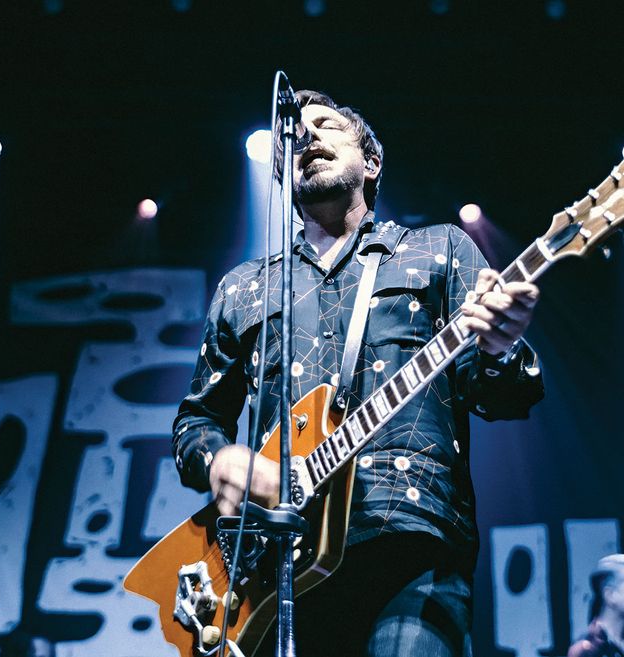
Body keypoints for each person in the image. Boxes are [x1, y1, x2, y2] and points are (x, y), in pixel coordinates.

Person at [171, 89, 545, 656]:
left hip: (406, 539)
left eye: (326, 125)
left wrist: (497, 346)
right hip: (275, 564)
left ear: (370, 163)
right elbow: (196, 420)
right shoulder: (244, 287)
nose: (306, 136)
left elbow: (503, 397)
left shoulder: (438, 250)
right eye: (293, 134)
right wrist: (219, 457)